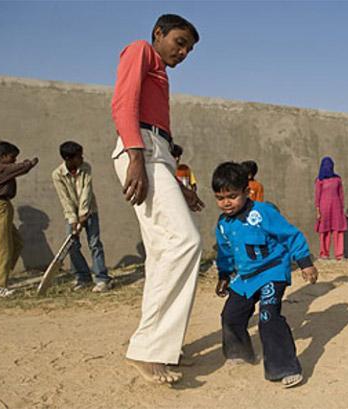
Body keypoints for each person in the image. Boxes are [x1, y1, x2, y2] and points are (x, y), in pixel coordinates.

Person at [110, 13, 204, 384]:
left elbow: (161, 141)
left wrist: (178, 185)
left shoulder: (161, 74)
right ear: (158, 34)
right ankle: (149, 348)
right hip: (141, 150)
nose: (183, 53)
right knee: (185, 242)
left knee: (165, 252)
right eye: (179, 42)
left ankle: (158, 348)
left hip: (156, 151)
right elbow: (122, 103)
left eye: (189, 49)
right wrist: (135, 154)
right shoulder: (140, 51)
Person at [212, 162, 318, 388]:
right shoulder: (222, 224)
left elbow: (291, 235)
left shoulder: (263, 213)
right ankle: (240, 352)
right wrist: (223, 275)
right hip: (245, 277)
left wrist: (305, 263)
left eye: (232, 196)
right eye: (220, 198)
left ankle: (285, 367)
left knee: (268, 317)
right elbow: (225, 252)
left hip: (272, 271)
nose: (226, 203)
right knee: (230, 315)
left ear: (246, 192)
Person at [52, 141, 112, 292]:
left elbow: (87, 191)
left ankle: (102, 279)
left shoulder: (86, 168)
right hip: (71, 215)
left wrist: (83, 213)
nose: (82, 158)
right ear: (68, 158)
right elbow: (64, 198)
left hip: (90, 211)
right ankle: (83, 277)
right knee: (72, 246)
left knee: (95, 244)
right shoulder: (57, 175)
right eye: (78, 156)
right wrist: (73, 219)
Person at [0, 141, 38, 297]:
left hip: (4, 207)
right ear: (2, 157)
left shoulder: (3, 169)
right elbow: (22, 168)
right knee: (3, 246)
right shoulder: (1, 168)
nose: (15, 160)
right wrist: (31, 162)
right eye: (12, 157)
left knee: (16, 243)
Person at [314, 157, 348, 261]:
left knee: (338, 230)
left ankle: (339, 254)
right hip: (324, 208)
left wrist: (343, 209)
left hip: (337, 208)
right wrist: (318, 211)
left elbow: (341, 194)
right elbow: (317, 196)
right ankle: (324, 254)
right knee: (324, 231)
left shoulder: (337, 179)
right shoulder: (320, 180)